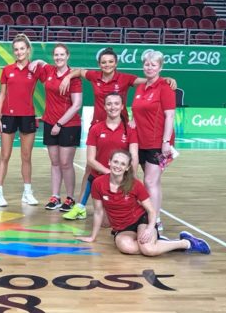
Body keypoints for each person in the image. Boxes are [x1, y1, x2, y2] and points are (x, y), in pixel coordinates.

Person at [59, 47, 176, 219]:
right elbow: (79, 71)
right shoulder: (95, 76)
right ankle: (81, 205)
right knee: (90, 169)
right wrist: (68, 77)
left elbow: (149, 84)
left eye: (110, 62)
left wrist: (165, 79)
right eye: (104, 62)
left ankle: (142, 213)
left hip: (126, 132)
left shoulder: (127, 79)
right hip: (100, 129)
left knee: (144, 176)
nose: (107, 65)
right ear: (99, 64)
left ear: (116, 63)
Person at [76, 150, 210, 256]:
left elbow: (151, 210)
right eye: (115, 162)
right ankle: (159, 243)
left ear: (127, 167)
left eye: (123, 164)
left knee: (149, 250)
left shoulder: (134, 184)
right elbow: (99, 212)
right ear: (109, 162)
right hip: (122, 228)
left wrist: (151, 227)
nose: (118, 166)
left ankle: (186, 242)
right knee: (126, 248)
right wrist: (92, 236)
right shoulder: (98, 183)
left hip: (141, 220)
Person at [63, 92, 138, 220]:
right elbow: (90, 160)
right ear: (104, 107)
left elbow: (134, 156)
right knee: (104, 222)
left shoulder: (129, 129)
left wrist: (130, 178)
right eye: (109, 104)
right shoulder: (96, 129)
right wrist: (110, 173)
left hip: (120, 179)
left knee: (112, 222)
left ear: (122, 107)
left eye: (116, 104)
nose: (112, 107)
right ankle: (81, 207)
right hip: (100, 179)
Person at [34, 44, 83, 212]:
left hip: (68, 125)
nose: (59, 57)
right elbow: (41, 64)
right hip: (49, 122)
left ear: (67, 56)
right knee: (55, 162)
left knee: (65, 163)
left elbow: (76, 105)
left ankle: (70, 198)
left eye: (62, 54)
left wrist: (59, 124)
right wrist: (38, 60)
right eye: (56, 55)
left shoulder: (74, 77)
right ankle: (55, 197)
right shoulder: (49, 71)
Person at [131, 50, 176, 230]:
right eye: (146, 64)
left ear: (160, 67)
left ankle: (155, 220)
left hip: (158, 143)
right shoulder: (141, 87)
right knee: (153, 181)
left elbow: (170, 116)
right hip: (140, 142)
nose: (149, 68)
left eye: (153, 65)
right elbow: (137, 111)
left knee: (149, 181)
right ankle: (153, 215)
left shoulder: (165, 87)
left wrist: (166, 142)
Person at [0, 33, 39, 207]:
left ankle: (27, 192)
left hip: (27, 115)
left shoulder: (35, 70)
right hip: (8, 116)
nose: (19, 52)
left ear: (28, 50)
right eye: (16, 49)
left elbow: (50, 72)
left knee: (26, 156)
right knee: (5, 155)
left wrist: (40, 62)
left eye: (22, 49)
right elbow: (2, 95)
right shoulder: (7, 70)